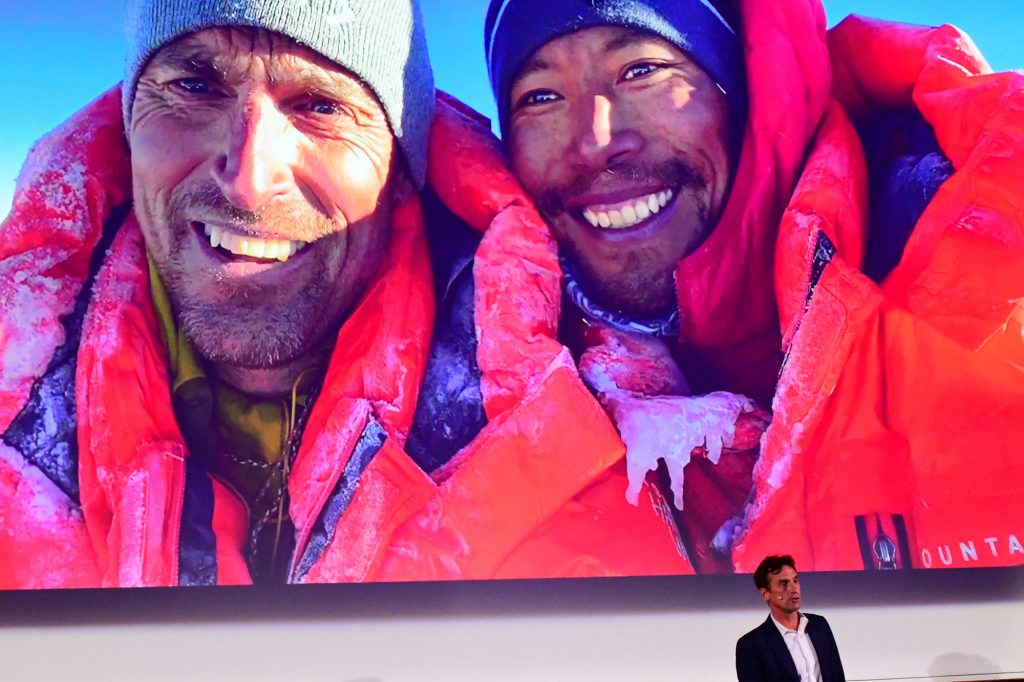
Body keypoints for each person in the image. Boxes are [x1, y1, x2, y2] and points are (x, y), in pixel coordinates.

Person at [0, 0, 697, 588]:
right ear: (129, 130)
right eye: (194, 86)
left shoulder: (571, 436)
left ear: (402, 171)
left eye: (320, 105)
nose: (248, 179)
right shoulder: (16, 398)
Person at [486, 0, 1024, 573]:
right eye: (540, 98)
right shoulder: (494, 402)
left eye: (641, 70)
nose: (595, 139)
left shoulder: (988, 272)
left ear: (738, 90)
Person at [736, 554, 845, 682]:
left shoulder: (819, 625)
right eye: (783, 583)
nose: (794, 589)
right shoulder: (751, 645)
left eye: (795, 580)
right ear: (765, 594)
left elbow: (837, 676)